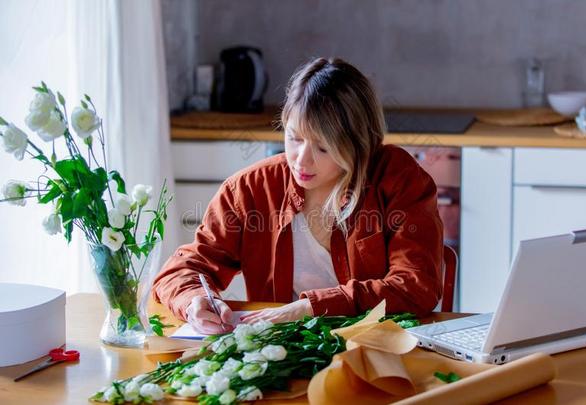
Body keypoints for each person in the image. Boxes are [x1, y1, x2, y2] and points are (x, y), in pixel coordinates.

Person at [152, 58, 443, 334]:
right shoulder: (249, 189)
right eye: (294, 138)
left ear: (359, 145)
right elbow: (181, 269)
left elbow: (416, 287)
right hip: (283, 355)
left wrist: (309, 308)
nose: (301, 161)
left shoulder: (397, 178)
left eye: (323, 148)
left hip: (377, 348)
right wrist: (193, 301)